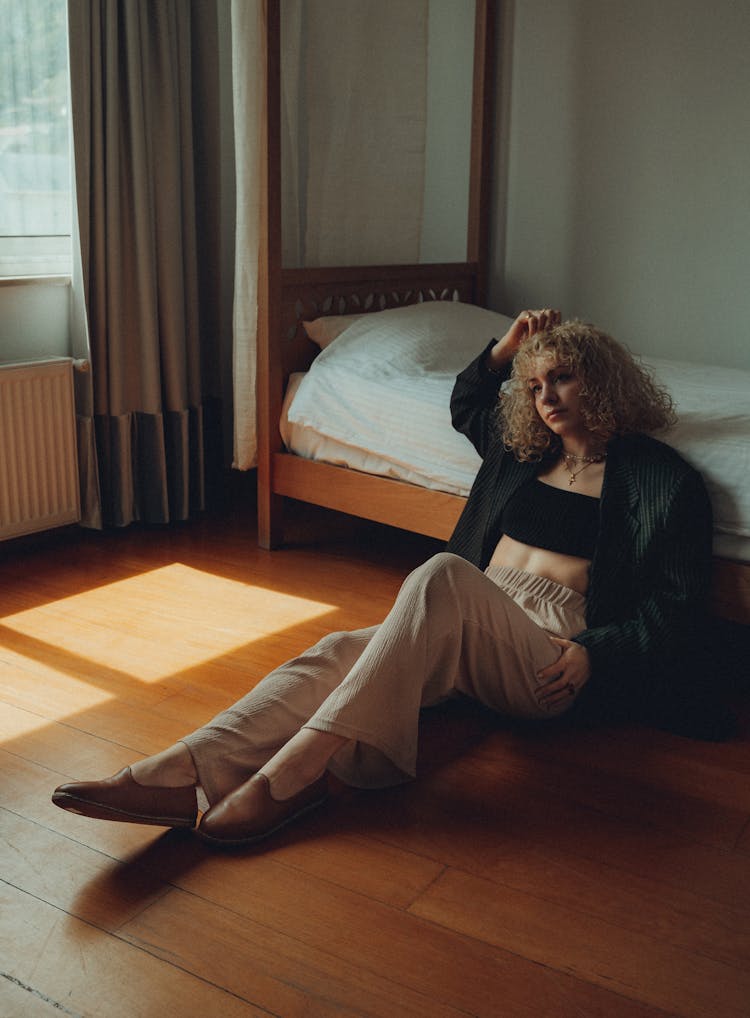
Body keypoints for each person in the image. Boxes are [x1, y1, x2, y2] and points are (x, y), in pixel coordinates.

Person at [52, 310, 719, 847]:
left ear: (601, 382)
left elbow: (677, 608)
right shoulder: (520, 451)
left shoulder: (660, 479)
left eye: (563, 380)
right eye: (535, 384)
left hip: (550, 657)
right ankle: (179, 771)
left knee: (441, 575)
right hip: (468, 627)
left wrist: (594, 653)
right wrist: (508, 345)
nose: (544, 398)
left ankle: (296, 775)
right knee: (337, 652)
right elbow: (468, 399)